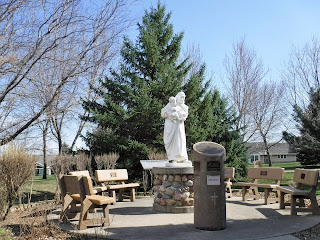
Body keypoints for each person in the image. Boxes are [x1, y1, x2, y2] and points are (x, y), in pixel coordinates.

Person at [161, 92, 189, 163]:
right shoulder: (170, 104)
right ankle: (173, 158)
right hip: (171, 127)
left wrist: (178, 115)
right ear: (178, 97)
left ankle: (182, 158)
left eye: (183, 98)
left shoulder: (183, 107)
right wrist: (168, 114)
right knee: (173, 142)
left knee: (181, 141)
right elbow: (163, 112)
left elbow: (185, 115)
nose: (183, 99)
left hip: (179, 128)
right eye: (181, 97)